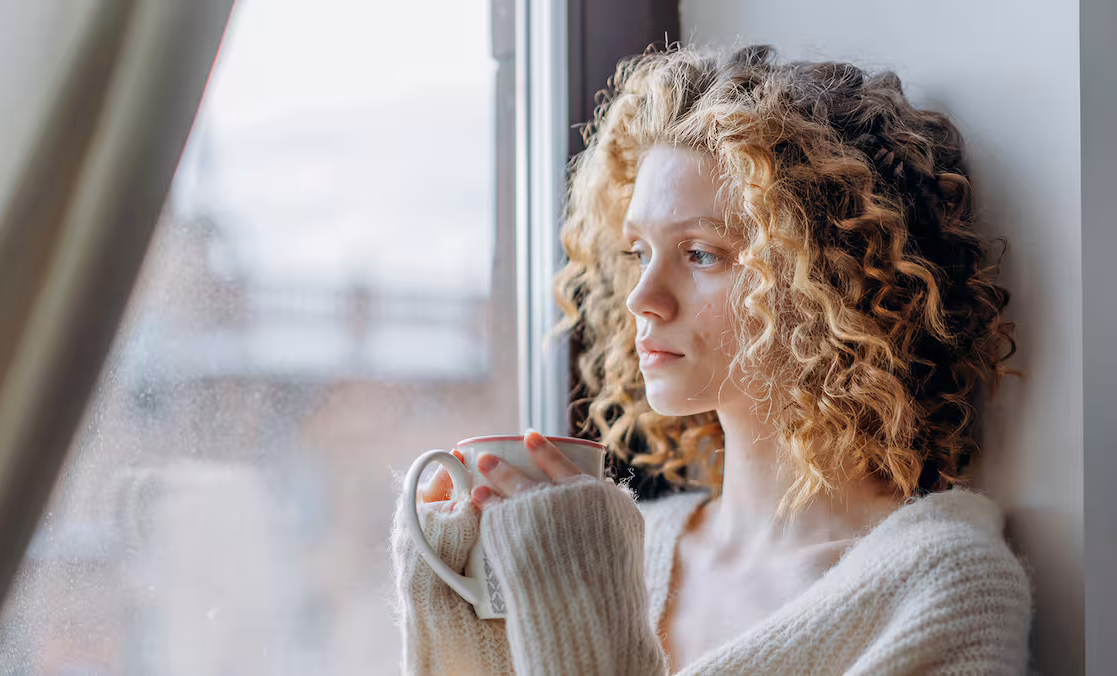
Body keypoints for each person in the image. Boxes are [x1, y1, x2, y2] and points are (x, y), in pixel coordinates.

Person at [390, 44, 1034, 675]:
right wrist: (452, 607)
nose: (643, 298)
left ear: (830, 283)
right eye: (638, 252)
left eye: (701, 254)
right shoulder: (624, 549)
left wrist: (581, 625)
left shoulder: (940, 589)